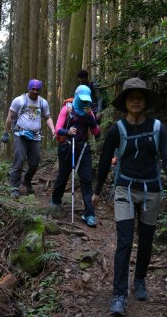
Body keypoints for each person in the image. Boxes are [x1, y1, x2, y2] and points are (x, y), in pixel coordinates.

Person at [92, 77, 167, 316]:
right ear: (125, 102)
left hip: (152, 190)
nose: (136, 101)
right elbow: (103, 163)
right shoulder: (116, 130)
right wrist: (97, 191)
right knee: (124, 241)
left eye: (139, 97)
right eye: (131, 97)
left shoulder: (157, 128)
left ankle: (139, 279)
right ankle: (119, 295)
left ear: (145, 101)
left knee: (146, 239)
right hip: (124, 190)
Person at [51, 85, 100, 227]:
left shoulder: (88, 112)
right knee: (63, 175)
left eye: (87, 100)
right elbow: (57, 129)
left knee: (86, 179)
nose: (85, 103)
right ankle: (55, 201)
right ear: (76, 96)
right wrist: (67, 132)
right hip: (67, 146)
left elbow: (97, 133)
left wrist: (91, 119)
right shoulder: (67, 109)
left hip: (83, 148)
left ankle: (89, 214)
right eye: (82, 100)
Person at [1, 79, 56, 198]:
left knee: (35, 163)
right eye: (33, 89)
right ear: (29, 89)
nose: (35, 92)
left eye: (37, 90)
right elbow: (10, 117)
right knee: (19, 161)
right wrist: (5, 133)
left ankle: (26, 180)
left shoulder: (43, 103)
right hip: (20, 135)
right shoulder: (19, 100)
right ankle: (15, 188)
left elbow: (47, 117)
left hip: (35, 137)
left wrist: (53, 129)